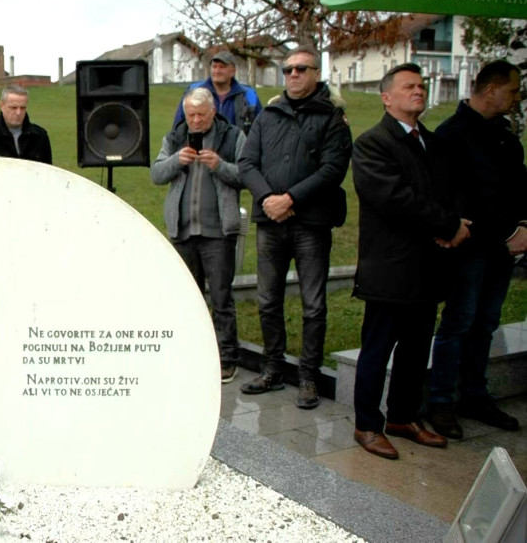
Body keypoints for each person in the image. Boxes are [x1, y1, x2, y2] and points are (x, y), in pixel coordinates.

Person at [349, 63, 467, 460]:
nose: (419, 91)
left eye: (421, 86)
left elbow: (445, 193)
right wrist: (448, 224)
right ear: (386, 97)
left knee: (417, 350)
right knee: (378, 348)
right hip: (390, 268)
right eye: (408, 86)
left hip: (428, 266)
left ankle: (402, 416)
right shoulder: (371, 143)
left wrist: (451, 225)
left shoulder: (431, 143)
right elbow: (393, 198)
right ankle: (367, 424)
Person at [237, 45, 352, 409]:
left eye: (302, 69)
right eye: (288, 70)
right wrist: (270, 198)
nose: (293, 75)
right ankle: (273, 369)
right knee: (268, 300)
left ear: (316, 73)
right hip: (270, 223)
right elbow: (246, 161)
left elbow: (333, 169)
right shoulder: (268, 115)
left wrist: (291, 199)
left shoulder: (333, 117)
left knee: (313, 304)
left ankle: (308, 377)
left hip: (311, 225)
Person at [426, 60, 527, 439]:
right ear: (490, 90)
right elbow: (460, 200)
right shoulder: (451, 136)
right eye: (512, 91)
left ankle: (474, 394)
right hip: (470, 252)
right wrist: (506, 232)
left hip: (503, 250)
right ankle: (441, 401)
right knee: (458, 323)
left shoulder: (505, 136)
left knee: (486, 324)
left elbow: (520, 188)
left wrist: (524, 227)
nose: (515, 98)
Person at [151, 87, 245, 383]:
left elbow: (245, 174)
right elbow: (156, 174)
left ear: (213, 111)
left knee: (221, 298)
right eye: (190, 114)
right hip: (182, 231)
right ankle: (187, 353)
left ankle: (226, 359)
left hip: (218, 232)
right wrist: (177, 160)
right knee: (185, 298)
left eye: (201, 115)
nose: (195, 120)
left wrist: (219, 166)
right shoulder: (175, 136)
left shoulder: (232, 137)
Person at [0, 84, 52, 362]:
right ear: (1, 106)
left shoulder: (39, 136)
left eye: (23, 107)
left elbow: (47, 178)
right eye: (13, 107)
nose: (18, 113)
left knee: (32, 276)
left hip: (30, 221)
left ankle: (31, 332)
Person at [172, 51, 262, 134]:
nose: (217, 71)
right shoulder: (193, 91)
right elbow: (178, 126)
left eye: (222, 67)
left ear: (233, 71)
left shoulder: (249, 95)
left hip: (237, 149)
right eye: (214, 66)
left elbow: (261, 129)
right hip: (200, 148)